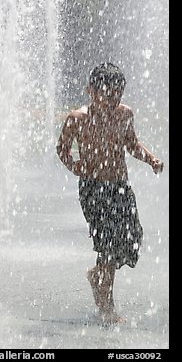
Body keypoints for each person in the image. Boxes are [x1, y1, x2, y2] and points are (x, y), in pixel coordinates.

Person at [56, 62, 164, 324]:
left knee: (131, 240)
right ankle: (107, 308)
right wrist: (74, 166)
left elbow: (131, 144)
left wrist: (150, 159)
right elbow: (62, 148)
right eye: (107, 94)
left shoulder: (124, 114)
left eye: (118, 94)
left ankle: (98, 275)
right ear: (91, 91)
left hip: (119, 186)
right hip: (93, 189)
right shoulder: (77, 118)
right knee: (107, 247)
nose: (113, 100)